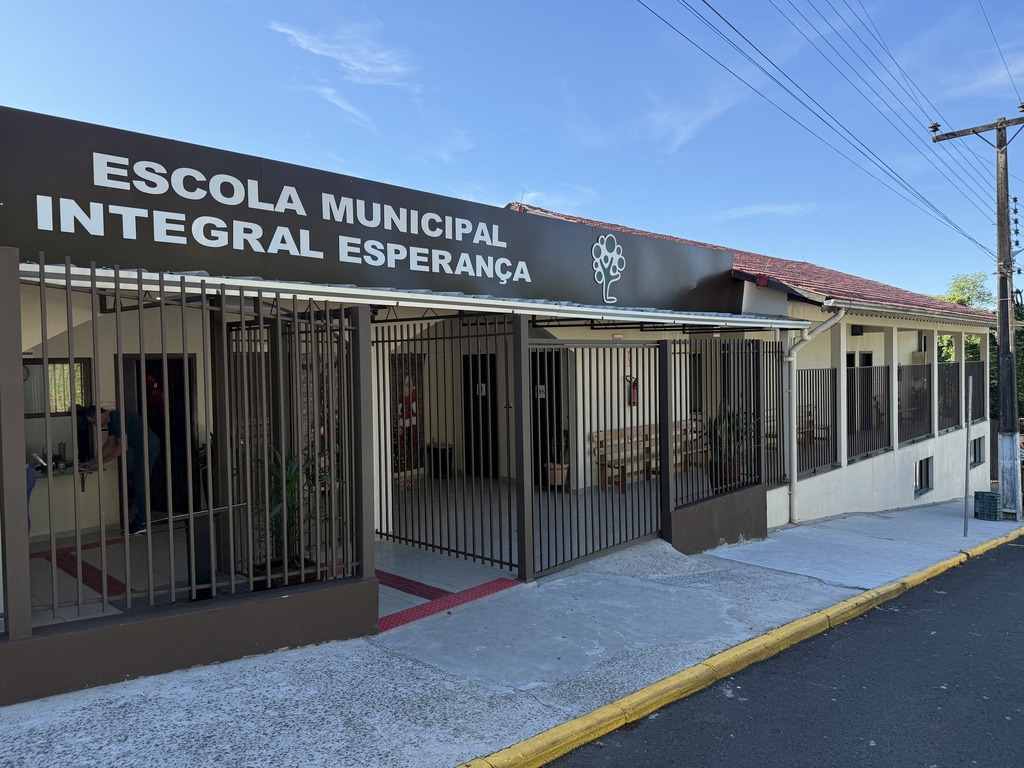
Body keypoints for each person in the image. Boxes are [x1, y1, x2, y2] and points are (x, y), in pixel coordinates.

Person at [79, 406, 161, 536]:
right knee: (140, 483)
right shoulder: (113, 419)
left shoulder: (118, 419)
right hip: (141, 449)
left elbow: (122, 448)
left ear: (100, 415)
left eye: (94, 421)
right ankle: (141, 520)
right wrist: (93, 461)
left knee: (141, 485)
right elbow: (110, 444)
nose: (94, 425)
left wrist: (101, 462)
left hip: (148, 449)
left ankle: (142, 523)